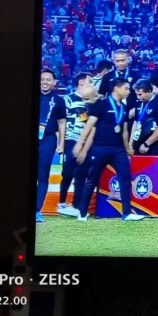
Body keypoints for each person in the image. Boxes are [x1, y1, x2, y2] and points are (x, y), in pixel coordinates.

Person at [72, 78, 145, 221]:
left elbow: (124, 131)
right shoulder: (101, 105)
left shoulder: (123, 108)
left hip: (118, 150)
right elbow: (89, 126)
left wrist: (127, 148)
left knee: (125, 178)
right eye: (126, 88)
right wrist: (79, 144)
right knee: (92, 180)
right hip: (100, 148)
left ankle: (126, 213)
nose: (128, 91)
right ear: (116, 88)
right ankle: (82, 213)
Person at [57, 73, 96, 218]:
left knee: (81, 174)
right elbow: (61, 122)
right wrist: (61, 142)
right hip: (71, 139)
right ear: (81, 82)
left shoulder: (92, 102)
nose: (92, 84)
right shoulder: (66, 99)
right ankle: (61, 202)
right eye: (90, 82)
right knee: (67, 173)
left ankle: (77, 205)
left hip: (86, 141)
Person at [37, 69, 67, 223]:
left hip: (48, 140)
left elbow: (62, 123)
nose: (45, 82)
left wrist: (61, 143)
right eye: (42, 79)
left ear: (54, 83)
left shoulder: (59, 101)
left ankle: (37, 211)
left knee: (43, 175)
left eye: (48, 79)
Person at [130, 79, 158, 156]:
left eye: (140, 94)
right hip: (138, 143)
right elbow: (136, 123)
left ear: (148, 91)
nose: (138, 97)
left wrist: (146, 144)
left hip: (154, 145)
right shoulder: (139, 103)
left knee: (153, 168)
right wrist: (131, 144)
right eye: (137, 94)